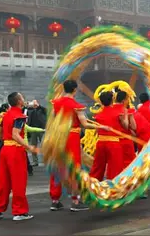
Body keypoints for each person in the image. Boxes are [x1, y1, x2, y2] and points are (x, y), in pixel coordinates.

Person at [49, 80, 106, 212]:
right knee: (74, 168)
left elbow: (52, 120)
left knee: (58, 166)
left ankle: (55, 200)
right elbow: (85, 124)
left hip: (59, 136)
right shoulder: (76, 105)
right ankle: (75, 200)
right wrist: (100, 126)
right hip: (71, 137)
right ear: (75, 89)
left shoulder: (56, 103)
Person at [0, 92, 35, 221]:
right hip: (15, 150)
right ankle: (19, 212)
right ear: (19, 101)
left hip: (5, 149)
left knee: (3, 181)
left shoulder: (7, 114)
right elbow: (16, 135)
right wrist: (28, 146)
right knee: (19, 181)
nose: (24, 99)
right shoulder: (19, 116)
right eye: (22, 97)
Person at [89, 91, 124, 181]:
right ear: (112, 100)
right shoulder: (117, 113)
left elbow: (97, 131)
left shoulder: (98, 115)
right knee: (115, 167)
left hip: (101, 142)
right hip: (114, 143)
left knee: (98, 166)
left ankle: (93, 185)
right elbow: (125, 125)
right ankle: (113, 188)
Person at [114, 91, 136, 168]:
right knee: (130, 163)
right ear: (123, 100)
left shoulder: (111, 109)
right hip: (126, 140)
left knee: (117, 163)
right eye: (127, 99)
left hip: (115, 141)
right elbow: (133, 127)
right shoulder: (127, 111)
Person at [27, 100, 46, 166]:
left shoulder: (41, 109)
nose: (34, 104)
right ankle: (35, 161)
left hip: (41, 130)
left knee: (44, 145)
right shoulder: (29, 110)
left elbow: (46, 111)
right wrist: (28, 106)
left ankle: (46, 160)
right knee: (33, 145)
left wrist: (38, 106)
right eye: (33, 102)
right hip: (33, 130)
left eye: (35, 102)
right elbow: (25, 113)